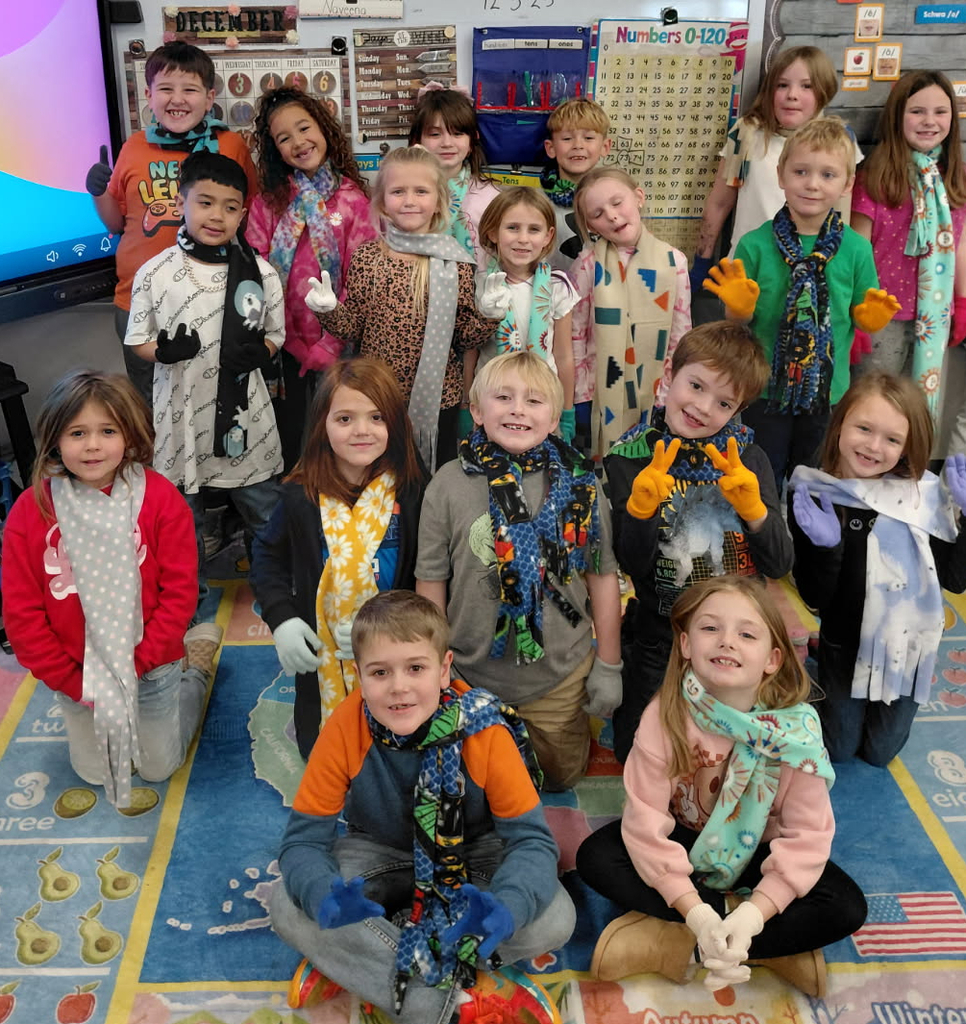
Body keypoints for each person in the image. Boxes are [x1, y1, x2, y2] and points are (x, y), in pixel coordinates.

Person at [268, 590, 575, 1024]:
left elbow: (531, 842)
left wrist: (506, 908)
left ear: (445, 669)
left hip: (471, 857)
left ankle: (364, 963)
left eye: (416, 668)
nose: (399, 686)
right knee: (287, 904)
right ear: (358, 675)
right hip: (380, 852)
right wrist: (322, 894)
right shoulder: (343, 727)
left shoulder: (485, 732)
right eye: (379, 672)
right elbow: (302, 842)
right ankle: (458, 999)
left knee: (555, 919)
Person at [575, 575, 866, 999]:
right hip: (686, 841)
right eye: (710, 628)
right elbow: (645, 828)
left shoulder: (797, 733)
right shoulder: (663, 716)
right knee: (596, 857)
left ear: (772, 658)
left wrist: (753, 915)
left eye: (746, 634)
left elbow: (807, 841)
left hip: (758, 848)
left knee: (845, 906)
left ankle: (692, 948)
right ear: (687, 645)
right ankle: (744, 941)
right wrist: (697, 915)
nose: (727, 641)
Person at [1, 370, 223, 809]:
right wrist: (71, 680)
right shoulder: (31, 510)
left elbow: (180, 592)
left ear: (129, 434)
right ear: (55, 440)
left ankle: (195, 668)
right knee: (94, 773)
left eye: (107, 431)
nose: (92, 446)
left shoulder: (159, 499)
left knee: (160, 766)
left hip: (150, 666)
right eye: (77, 433)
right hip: (76, 673)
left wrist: (142, 663)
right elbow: (21, 613)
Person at [416, 351, 622, 791]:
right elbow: (430, 581)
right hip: (469, 674)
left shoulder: (582, 484)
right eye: (503, 397)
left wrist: (609, 663)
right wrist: (434, 664)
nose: (517, 409)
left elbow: (602, 577)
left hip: (558, 675)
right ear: (476, 411)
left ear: (554, 419)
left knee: (560, 779)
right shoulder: (448, 484)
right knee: (475, 786)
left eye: (534, 401)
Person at [604, 321, 793, 763]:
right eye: (696, 385)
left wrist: (756, 513)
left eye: (724, 402)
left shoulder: (750, 458)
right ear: (670, 372)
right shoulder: (628, 457)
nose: (703, 407)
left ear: (738, 408)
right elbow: (632, 565)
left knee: (747, 757)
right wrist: (640, 512)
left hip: (738, 640)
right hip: (662, 636)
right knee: (634, 752)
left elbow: (780, 563)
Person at [125, 151, 285, 612]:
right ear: (181, 202)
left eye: (230, 206)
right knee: (181, 520)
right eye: (206, 202)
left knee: (264, 509)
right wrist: (163, 351)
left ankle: (274, 591)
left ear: (243, 212)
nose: (217, 215)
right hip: (180, 417)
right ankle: (185, 600)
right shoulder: (155, 273)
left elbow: (275, 333)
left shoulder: (261, 273)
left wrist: (264, 352)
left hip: (246, 416)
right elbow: (138, 341)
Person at [250, 358, 428, 759]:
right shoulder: (301, 496)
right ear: (322, 426)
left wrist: (394, 627)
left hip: (398, 650)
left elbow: (429, 572)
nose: (361, 430)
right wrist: (283, 619)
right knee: (321, 753)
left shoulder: (413, 491)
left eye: (376, 417)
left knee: (404, 749)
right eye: (345, 418)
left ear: (395, 425)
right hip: (323, 654)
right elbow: (266, 554)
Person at [705, 117, 896, 487]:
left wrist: (871, 319)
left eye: (828, 175)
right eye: (801, 171)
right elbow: (738, 324)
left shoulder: (856, 249)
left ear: (847, 183)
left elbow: (863, 314)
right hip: (763, 390)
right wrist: (739, 309)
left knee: (812, 481)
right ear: (781, 175)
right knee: (759, 478)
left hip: (828, 393)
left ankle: (807, 543)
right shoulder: (754, 244)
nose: (812, 183)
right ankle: (767, 542)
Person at [790, 373, 966, 766]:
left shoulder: (922, 497)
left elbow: (954, 580)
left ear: (907, 447)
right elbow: (815, 597)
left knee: (879, 753)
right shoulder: (815, 492)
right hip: (844, 643)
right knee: (838, 748)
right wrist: (827, 546)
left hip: (907, 649)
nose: (873, 446)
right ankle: (820, 668)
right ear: (840, 425)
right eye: (864, 428)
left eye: (891, 439)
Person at [305, 146, 499, 472]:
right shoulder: (368, 258)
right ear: (381, 201)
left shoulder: (455, 263)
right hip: (376, 397)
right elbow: (354, 328)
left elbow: (464, 338)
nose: (409, 200)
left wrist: (488, 317)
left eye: (421, 191)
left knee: (428, 479)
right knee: (380, 477)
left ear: (439, 200)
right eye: (398, 191)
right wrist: (329, 311)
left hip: (438, 400)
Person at [85, 41, 258, 406]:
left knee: (214, 396)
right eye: (165, 88)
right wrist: (98, 192)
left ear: (210, 98)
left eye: (190, 89)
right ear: (149, 94)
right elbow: (116, 223)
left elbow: (248, 216)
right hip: (138, 297)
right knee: (152, 399)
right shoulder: (133, 147)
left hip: (213, 294)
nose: (177, 99)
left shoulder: (231, 145)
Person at [247, 87, 377, 472]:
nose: (298, 142)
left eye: (304, 128)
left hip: (340, 344)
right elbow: (257, 273)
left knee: (337, 436)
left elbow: (362, 278)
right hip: (280, 344)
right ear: (274, 149)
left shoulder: (354, 201)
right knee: (290, 439)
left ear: (324, 128)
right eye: (284, 138)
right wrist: (277, 335)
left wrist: (331, 341)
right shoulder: (268, 203)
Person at [850, 71, 966, 425]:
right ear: (897, 115)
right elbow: (857, 248)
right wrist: (855, 312)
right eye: (917, 111)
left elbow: (959, 247)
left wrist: (961, 301)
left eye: (940, 112)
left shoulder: (951, 179)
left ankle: (902, 477)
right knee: (869, 406)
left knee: (912, 412)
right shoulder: (875, 176)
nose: (929, 121)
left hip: (932, 316)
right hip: (880, 316)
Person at [692, 46, 860, 288]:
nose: (792, 95)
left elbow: (842, 215)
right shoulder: (746, 133)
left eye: (806, 86)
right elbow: (720, 203)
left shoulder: (841, 141)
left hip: (810, 272)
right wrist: (702, 262)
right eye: (782, 85)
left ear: (824, 90)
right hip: (747, 269)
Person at [570, 167, 691, 458]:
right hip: (597, 394)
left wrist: (667, 391)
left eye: (617, 202)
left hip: (655, 394)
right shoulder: (587, 264)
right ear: (589, 225)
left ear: (639, 197)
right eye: (597, 214)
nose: (611, 215)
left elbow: (680, 332)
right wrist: (579, 394)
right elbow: (576, 332)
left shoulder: (674, 261)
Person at [474, 186, 580, 442]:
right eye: (512, 228)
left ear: (548, 236)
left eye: (534, 230)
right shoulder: (480, 285)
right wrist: (468, 407)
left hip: (541, 402)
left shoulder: (557, 286)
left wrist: (566, 410)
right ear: (493, 232)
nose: (523, 239)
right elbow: (470, 350)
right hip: (493, 402)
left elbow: (564, 355)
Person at [409, 82, 501, 270]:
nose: (447, 143)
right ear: (417, 140)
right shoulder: (405, 195)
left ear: (471, 141)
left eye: (458, 134)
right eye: (435, 134)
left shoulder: (491, 197)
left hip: (482, 292)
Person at [540, 98, 612, 269]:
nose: (578, 145)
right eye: (567, 138)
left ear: (605, 147)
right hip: (548, 290)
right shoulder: (536, 201)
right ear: (550, 148)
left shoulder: (615, 200)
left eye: (588, 137)